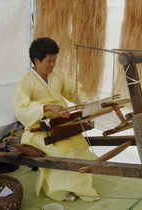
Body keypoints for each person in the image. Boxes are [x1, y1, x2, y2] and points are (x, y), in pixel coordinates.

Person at [13, 37, 99, 202]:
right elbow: (20, 108)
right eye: (49, 61)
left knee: (81, 148)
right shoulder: (26, 81)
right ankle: (58, 191)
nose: (52, 65)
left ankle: (80, 189)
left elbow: (73, 90)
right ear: (36, 60)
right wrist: (45, 108)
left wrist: (86, 104)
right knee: (63, 153)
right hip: (38, 130)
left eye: (54, 60)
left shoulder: (57, 76)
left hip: (61, 125)